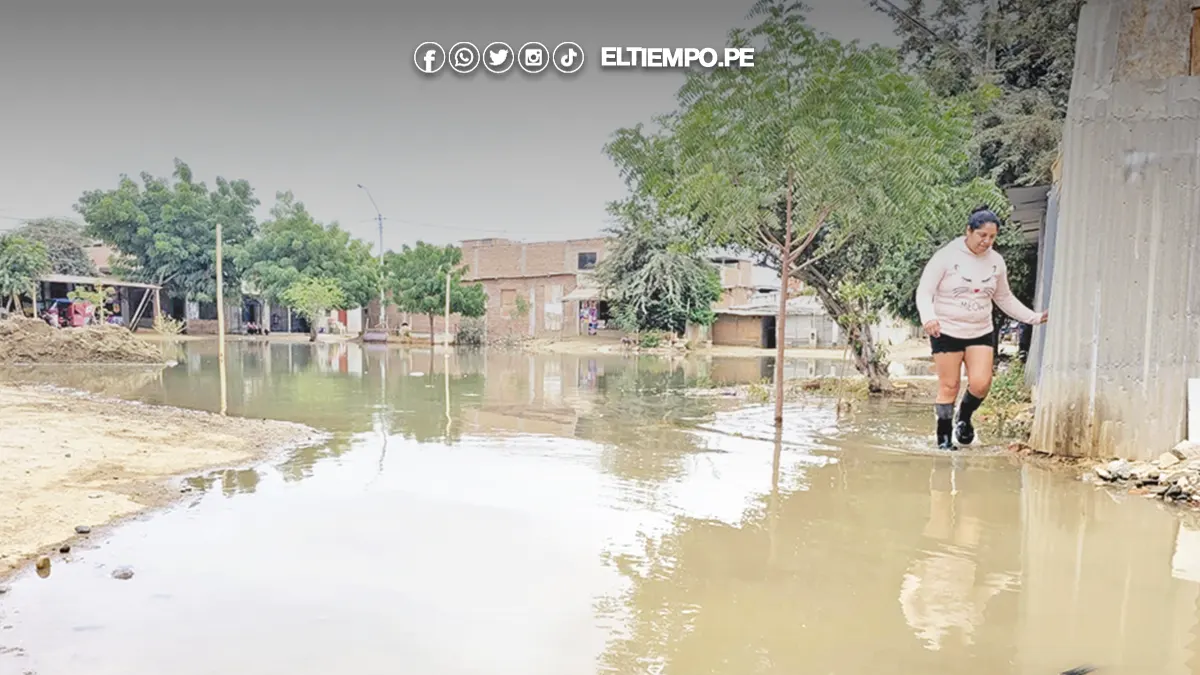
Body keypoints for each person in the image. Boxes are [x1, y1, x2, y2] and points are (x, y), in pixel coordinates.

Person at [916, 205, 1048, 450]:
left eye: (992, 237)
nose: (987, 242)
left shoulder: (996, 262)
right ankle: (943, 441)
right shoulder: (946, 257)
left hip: (980, 331)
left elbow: (1004, 298)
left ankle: (964, 418)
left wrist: (1035, 317)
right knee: (949, 385)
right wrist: (928, 317)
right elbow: (924, 291)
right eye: (982, 236)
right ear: (969, 231)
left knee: (981, 383)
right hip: (945, 331)